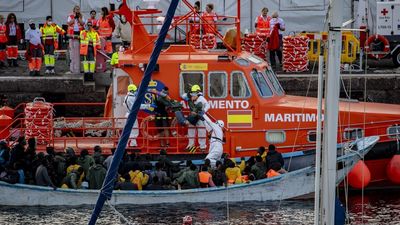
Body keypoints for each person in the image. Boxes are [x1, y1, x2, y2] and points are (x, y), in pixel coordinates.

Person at [182, 84, 210, 152]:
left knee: (201, 132)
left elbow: (208, 105)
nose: (193, 94)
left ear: (198, 93)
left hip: (200, 117)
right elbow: (183, 96)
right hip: (193, 116)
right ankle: (190, 145)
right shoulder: (190, 96)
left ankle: (202, 147)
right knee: (190, 131)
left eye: (194, 93)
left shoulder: (201, 99)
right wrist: (189, 94)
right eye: (192, 93)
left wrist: (204, 111)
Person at [67, 5, 85, 74]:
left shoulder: (81, 16)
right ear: (74, 10)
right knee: (72, 52)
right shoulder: (71, 16)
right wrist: (74, 18)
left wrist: (79, 18)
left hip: (80, 34)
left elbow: (83, 23)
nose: (77, 10)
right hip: (72, 35)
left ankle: (78, 67)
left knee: (79, 51)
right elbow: (69, 23)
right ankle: (72, 68)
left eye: (78, 9)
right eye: (76, 9)